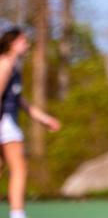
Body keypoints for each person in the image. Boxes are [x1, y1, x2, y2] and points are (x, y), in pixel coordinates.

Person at [0, 27, 61, 218]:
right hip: (5, 122)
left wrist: (45, 119)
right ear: (12, 43)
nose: (26, 44)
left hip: (7, 121)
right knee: (19, 168)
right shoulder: (5, 63)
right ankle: (17, 215)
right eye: (23, 41)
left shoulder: (14, 67)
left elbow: (20, 101)